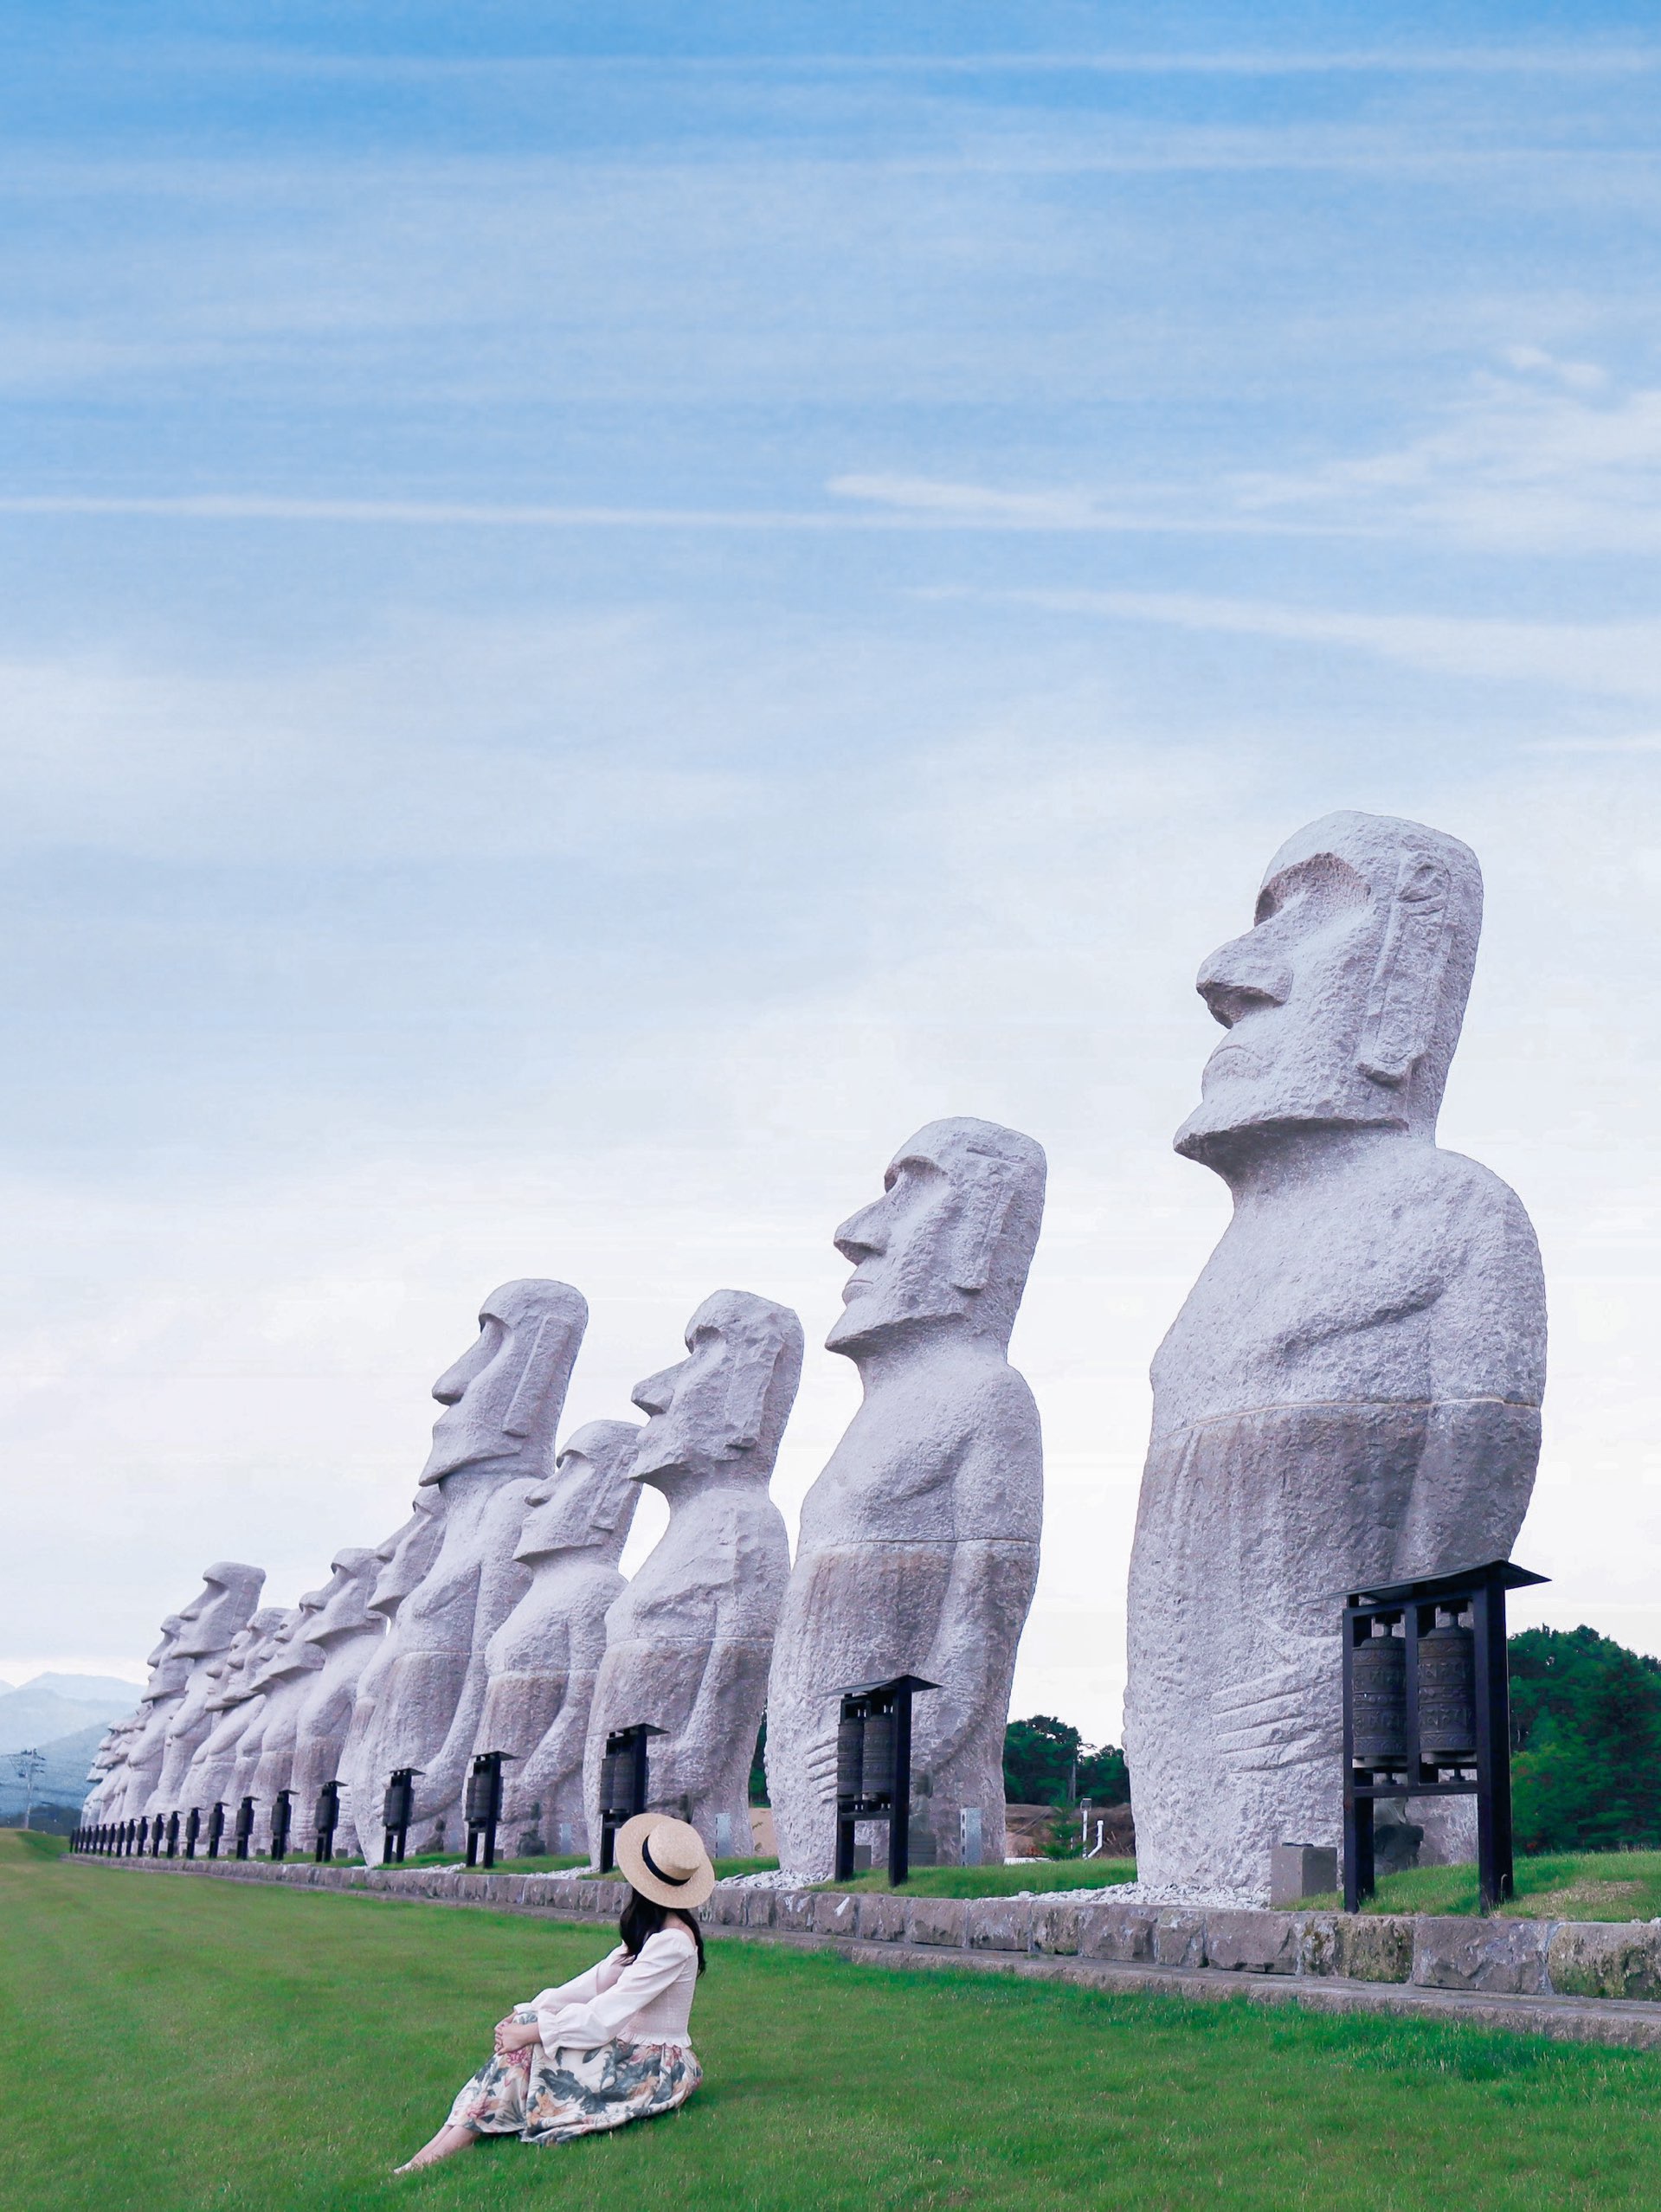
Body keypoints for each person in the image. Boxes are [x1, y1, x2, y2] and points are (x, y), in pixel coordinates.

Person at [395, 1812, 714, 2173]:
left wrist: (532, 2031)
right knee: (530, 2037)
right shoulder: (654, 1930)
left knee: (532, 2045)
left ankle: (443, 2147)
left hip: (655, 2067)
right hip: (630, 2050)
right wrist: (529, 2012)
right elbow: (595, 1981)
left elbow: (606, 2015)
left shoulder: (672, 1943)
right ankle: (449, 2138)